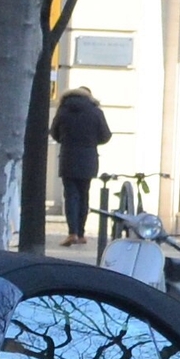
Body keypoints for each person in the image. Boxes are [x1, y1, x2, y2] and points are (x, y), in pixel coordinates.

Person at [49, 85, 110, 245]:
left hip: (68, 156)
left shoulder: (63, 110)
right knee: (84, 195)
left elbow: (54, 132)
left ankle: (72, 233)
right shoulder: (95, 111)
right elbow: (105, 135)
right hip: (88, 157)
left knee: (71, 196)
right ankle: (81, 234)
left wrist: (66, 139)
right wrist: (91, 142)